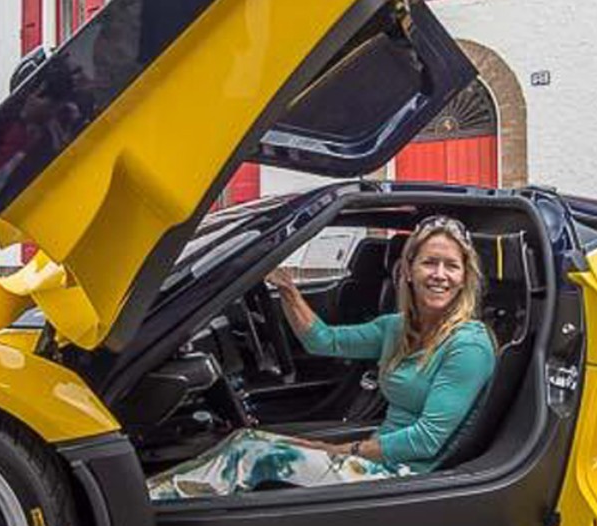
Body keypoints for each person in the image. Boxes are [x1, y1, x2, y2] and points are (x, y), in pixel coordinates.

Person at [147, 215, 497, 502]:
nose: (439, 275)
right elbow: (322, 340)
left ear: (465, 277)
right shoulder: (397, 328)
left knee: (252, 454)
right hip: (377, 456)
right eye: (429, 263)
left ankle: (152, 507)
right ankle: (151, 494)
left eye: (451, 266)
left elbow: (426, 440)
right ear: (407, 270)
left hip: (406, 478)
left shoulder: (468, 345)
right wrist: (287, 290)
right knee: (242, 439)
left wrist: (342, 450)